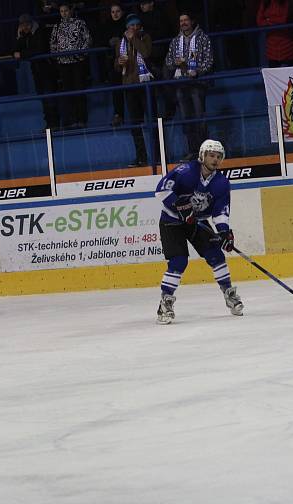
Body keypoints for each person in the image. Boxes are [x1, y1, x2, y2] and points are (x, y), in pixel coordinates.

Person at [154, 139, 243, 324]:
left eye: (219, 156)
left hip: (198, 222)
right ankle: (165, 303)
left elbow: (220, 210)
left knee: (216, 256)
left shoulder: (221, 183)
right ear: (202, 155)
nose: (215, 159)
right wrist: (179, 205)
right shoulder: (186, 171)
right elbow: (161, 190)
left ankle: (229, 293)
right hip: (172, 221)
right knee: (179, 262)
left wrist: (224, 232)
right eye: (211, 155)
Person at [164, 12, 213, 160]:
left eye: (186, 20)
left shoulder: (203, 38)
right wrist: (176, 63)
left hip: (197, 84)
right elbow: (168, 61)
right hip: (181, 84)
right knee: (186, 119)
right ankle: (192, 151)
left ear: (192, 21)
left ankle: (204, 152)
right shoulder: (175, 41)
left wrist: (196, 71)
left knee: (199, 118)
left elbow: (209, 61)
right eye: (181, 21)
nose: (183, 23)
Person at [115, 13, 153, 167]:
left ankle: (158, 156)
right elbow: (117, 67)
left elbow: (146, 53)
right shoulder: (120, 42)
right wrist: (118, 62)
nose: (135, 27)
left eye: (137, 25)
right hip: (129, 86)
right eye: (132, 25)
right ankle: (141, 158)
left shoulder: (145, 38)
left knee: (152, 122)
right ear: (127, 26)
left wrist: (133, 39)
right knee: (135, 125)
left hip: (145, 85)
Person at [13, 13, 60, 131]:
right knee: (43, 98)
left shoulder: (40, 32)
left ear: (31, 23)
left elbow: (40, 49)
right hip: (36, 70)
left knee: (50, 96)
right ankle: (49, 124)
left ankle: (54, 123)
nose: (25, 27)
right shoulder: (25, 35)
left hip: (47, 69)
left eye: (26, 25)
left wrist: (23, 54)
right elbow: (15, 50)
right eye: (22, 25)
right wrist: (19, 37)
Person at [49, 2, 92, 128]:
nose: (64, 13)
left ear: (70, 11)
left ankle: (82, 119)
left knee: (79, 89)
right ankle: (71, 120)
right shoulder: (57, 27)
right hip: (63, 64)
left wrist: (80, 54)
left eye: (66, 11)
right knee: (67, 92)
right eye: (61, 11)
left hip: (77, 62)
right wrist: (58, 56)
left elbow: (87, 39)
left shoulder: (79, 23)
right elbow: (53, 44)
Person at [257, 0, 293, 67]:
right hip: (271, 50)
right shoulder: (265, 2)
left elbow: (282, 20)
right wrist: (272, 22)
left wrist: (268, 20)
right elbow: (259, 21)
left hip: (288, 48)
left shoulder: (287, 2)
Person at [104, 3, 126, 126]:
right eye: (113, 12)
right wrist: (109, 42)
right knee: (117, 89)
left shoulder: (128, 24)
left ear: (122, 12)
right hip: (114, 62)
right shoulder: (107, 26)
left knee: (131, 89)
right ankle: (118, 115)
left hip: (129, 60)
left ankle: (139, 116)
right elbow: (101, 41)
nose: (115, 14)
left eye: (117, 11)